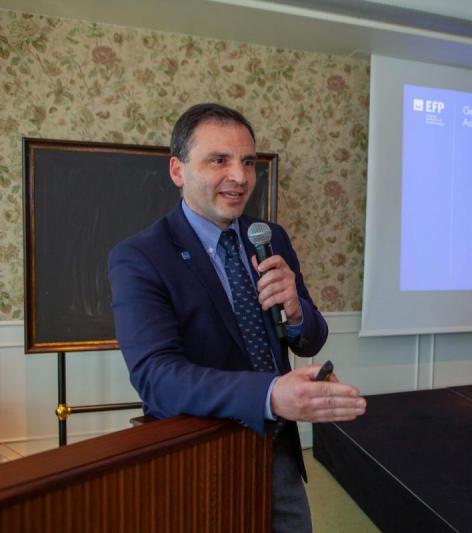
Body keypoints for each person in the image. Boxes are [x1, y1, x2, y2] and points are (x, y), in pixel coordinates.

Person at [108, 103, 366, 532]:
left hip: (278, 452)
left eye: (247, 162)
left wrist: (297, 311)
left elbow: (311, 339)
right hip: (201, 458)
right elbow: (156, 377)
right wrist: (271, 394)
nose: (240, 177)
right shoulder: (140, 257)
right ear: (177, 170)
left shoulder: (269, 237)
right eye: (219, 160)